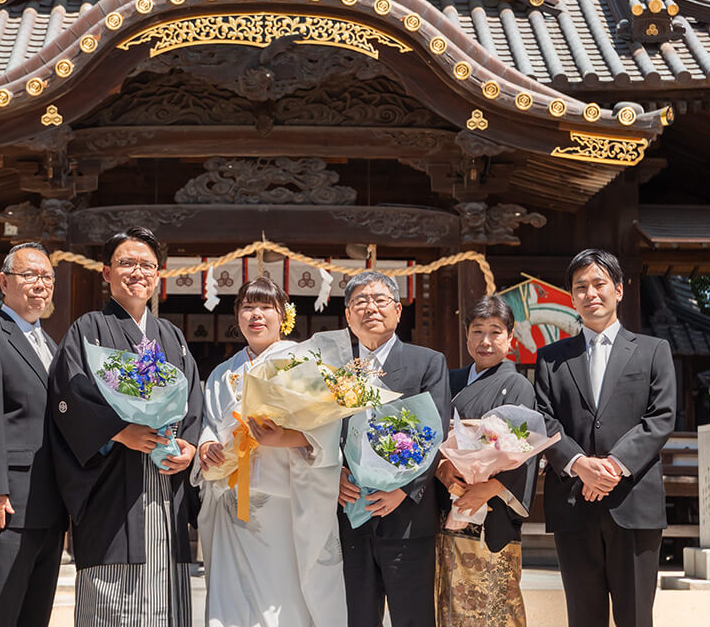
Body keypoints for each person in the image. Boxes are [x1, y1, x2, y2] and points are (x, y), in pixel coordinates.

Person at [48, 226, 204, 627]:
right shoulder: (88, 329)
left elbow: (193, 402)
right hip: (113, 486)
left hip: (164, 481)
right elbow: (70, 393)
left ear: (159, 274)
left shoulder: (171, 336)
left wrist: (187, 446)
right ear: (106, 272)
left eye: (147, 265)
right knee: (112, 600)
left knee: (167, 594)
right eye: (127, 263)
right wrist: (119, 432)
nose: (138, 272)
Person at [534, 249, 675, 627]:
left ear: (619, 289)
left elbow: (660, 417)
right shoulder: (550, 358)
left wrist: (611, 467)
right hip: (573, 504)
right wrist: (580, 465)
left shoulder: (653, 350)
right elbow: (544, 420)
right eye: (581, 287)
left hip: (634, 502)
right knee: (583, 616)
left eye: (599, 284)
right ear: (571, 296)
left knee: (635, 616)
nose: (591, 293)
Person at [197, 276, 346, 627]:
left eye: (266, 307)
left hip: (285, 500)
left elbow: (326, 428)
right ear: (237, 317)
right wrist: (206, 444)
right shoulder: (222, 372)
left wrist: (283, 438)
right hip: (233, 499)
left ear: (284, 316)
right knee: (231, 598)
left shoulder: (301, 361)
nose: (256, 315)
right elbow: (209, 420)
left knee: (285, 598)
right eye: (248, 307)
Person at [0, 243, 67, 627]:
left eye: (47, 277)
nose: (40, 284)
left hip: (49, 507)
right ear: (4, 282)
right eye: (29, 275)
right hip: (4, 507)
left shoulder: (52, 346)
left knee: (33, 617)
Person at [336, 270, 449, 627]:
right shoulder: (335, 369)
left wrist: (404, 490)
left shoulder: (427, 362)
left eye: (379, 300)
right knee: (357, 618)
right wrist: (331, 474)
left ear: (398, 311)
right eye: (360, 302)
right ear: (348, 316)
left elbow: (437, 434)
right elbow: (319, 436)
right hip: (350, 513)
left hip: (407, 520)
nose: (370, 308)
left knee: (413, 618)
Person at [434, 295, 536, 627]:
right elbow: (432, 439)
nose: (485, 341)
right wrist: (445, 472)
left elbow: (525, 453)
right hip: (449, 511)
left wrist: (488, 489)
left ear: (510, 337)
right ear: (466, 336)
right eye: (477, 331)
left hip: (492, 516)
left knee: (494, 609)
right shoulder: (449, 380)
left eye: (495, 331)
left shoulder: (518, 386)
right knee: (449, 606)